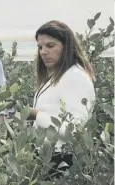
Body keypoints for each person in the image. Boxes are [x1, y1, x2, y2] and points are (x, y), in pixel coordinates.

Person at [28, 20, 96, 178]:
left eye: (50, 46)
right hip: (47, 158)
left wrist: (36, 115)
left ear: (67, 46)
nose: (43, 52)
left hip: (63, 162)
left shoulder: (75, 77)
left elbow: (74, 131)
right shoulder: (57, 76)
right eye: (40, 47)